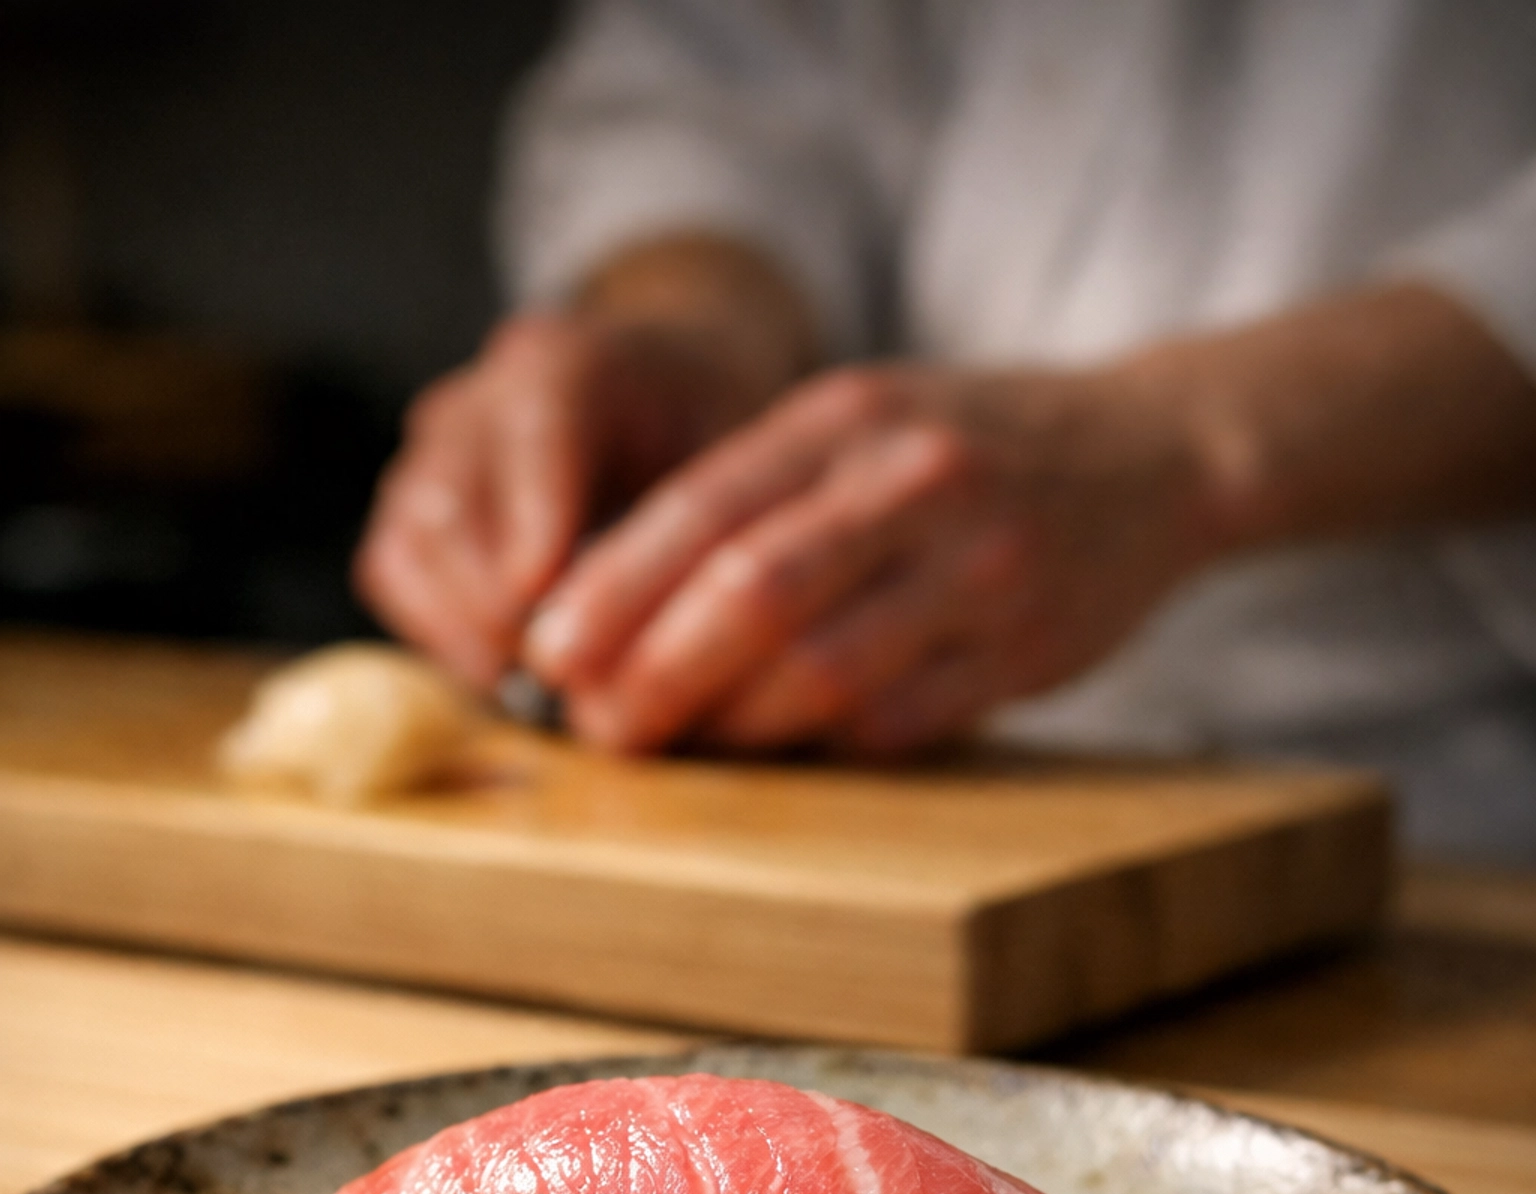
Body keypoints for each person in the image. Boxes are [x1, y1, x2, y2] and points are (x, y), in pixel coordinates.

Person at [356, 0, 1536, 859]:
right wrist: (692, 323)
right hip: (911, 799)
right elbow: (715, 71)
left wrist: (1184, 444)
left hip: (1468, 814)